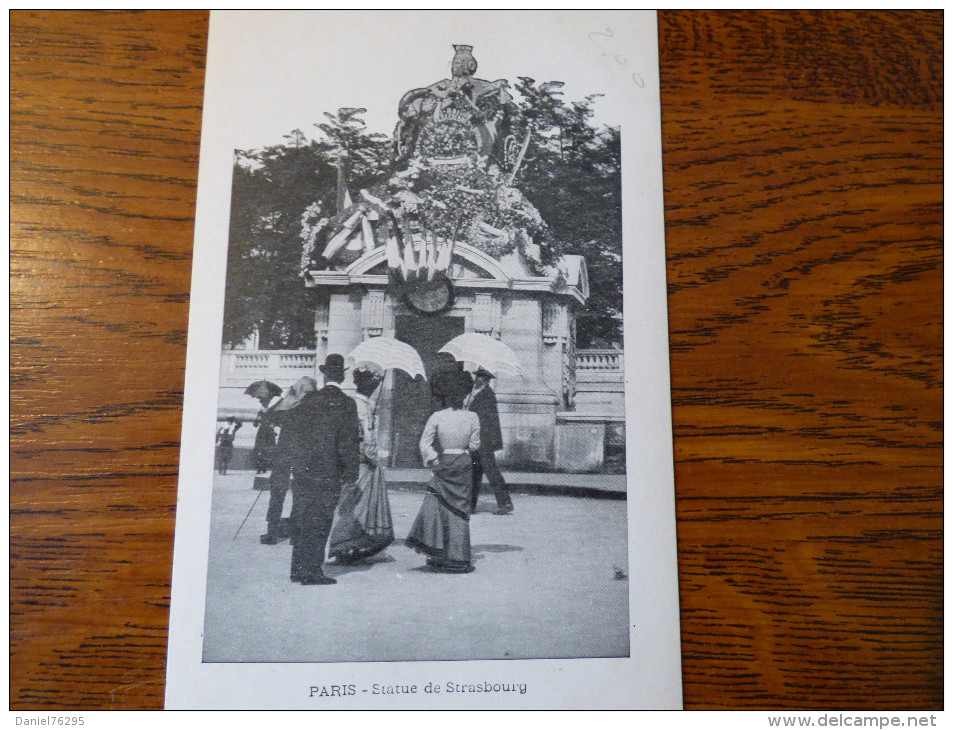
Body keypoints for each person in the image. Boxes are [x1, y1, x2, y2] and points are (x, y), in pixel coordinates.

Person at [275, 354, 360, 585]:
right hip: (329, 470)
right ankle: (312, 570)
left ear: (324, 375)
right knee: (321, 519)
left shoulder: (308, 400)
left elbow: (287, 426)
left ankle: (297, 569)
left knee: (302, 516)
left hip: (304, 469)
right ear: (342, 375)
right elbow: (348, 442)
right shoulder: (347, 403)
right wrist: (351, 471)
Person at [407, 375, 481, 573]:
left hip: (444, 461)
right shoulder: (472, 417)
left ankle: (440, 552)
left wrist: (434, 460)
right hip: (463, 463)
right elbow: (475, 445)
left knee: (441, 506)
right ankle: (459, 556)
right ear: (465, 395)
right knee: (460, 508)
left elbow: (424, 443)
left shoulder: (437, 416)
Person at [328, 363, 395, 563]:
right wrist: (372, 457)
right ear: (362, 383)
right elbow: (363, 438)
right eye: (371, 383)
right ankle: (344, 546)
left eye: (375, 383)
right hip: (361, 462)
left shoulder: (365, 404)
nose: (374, 386)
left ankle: (358, 544)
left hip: (365, 461)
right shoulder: (357, 404)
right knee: (354, 504)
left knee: (363, 505)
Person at [259, 377, 316, 545]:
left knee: (278, 492)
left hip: (284, 453)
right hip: (301, 454)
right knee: (298, 492)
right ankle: (295, 531)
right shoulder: (309, 408)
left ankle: (272, 530)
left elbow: (270, 418)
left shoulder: (285, 404)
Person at [466, 367, 513, 514]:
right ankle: (470, 505)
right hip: (476, 439)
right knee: (474, 473)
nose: (477, 379)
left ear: (486, 380)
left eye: (481, 377)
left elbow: (487, 420)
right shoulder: (474, 393)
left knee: (491, 472)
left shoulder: (487, 395)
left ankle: (505, 503)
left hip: (484, 440)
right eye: (478, 376)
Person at [251, 394, 278, 474]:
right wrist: (257, 420)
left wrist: (272, 424)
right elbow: (255, 424)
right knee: (259, 449)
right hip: (261, 433)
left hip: (269, 433)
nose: (264, 404)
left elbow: (275, 422)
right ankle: (259, 467)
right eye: (263, 403)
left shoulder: (271, 412)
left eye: (266, 403)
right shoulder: (260, 412)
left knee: (267, 450)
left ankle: (265, 467)